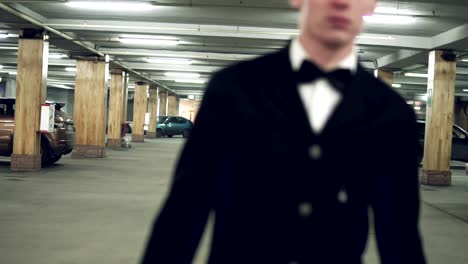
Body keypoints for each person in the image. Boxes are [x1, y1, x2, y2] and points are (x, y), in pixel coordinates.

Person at [141, 0, 426, 263]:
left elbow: (400, 234)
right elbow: (186, 207)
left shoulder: (391, 112)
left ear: (371, 4)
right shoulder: (233, 89)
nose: (341, 2)